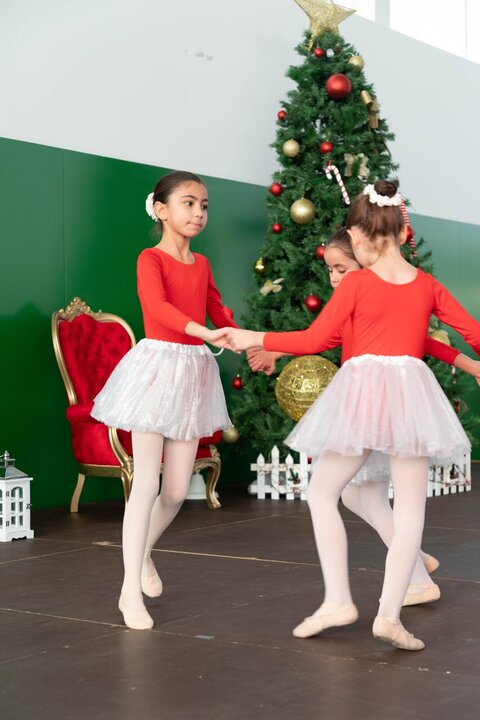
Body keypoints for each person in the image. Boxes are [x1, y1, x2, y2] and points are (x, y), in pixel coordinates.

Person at [225, 180, 480, 650]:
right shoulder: (428, 286)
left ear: (358, 237)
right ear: (403, 233)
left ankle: (338, 600)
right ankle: (388, 616)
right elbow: (472, 333)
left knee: (322, 493)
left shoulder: (358, 283)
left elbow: (316, 339)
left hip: (361, 396)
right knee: (410, 514)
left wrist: (254, 337)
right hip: (410, 397)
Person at [92, 170, 235, 630]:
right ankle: (129, 591)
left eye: (204, 205)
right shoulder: (150, 258)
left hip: (192, 377)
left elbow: (218, 308)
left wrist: (247, 341)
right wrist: (203, 332)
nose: (198, 212)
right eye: (188, 203)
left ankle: (143, 554)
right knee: (146, 488)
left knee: (174, 492)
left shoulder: (202, 263)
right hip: (156, 372)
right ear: (161, 210)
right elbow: (158, 309)